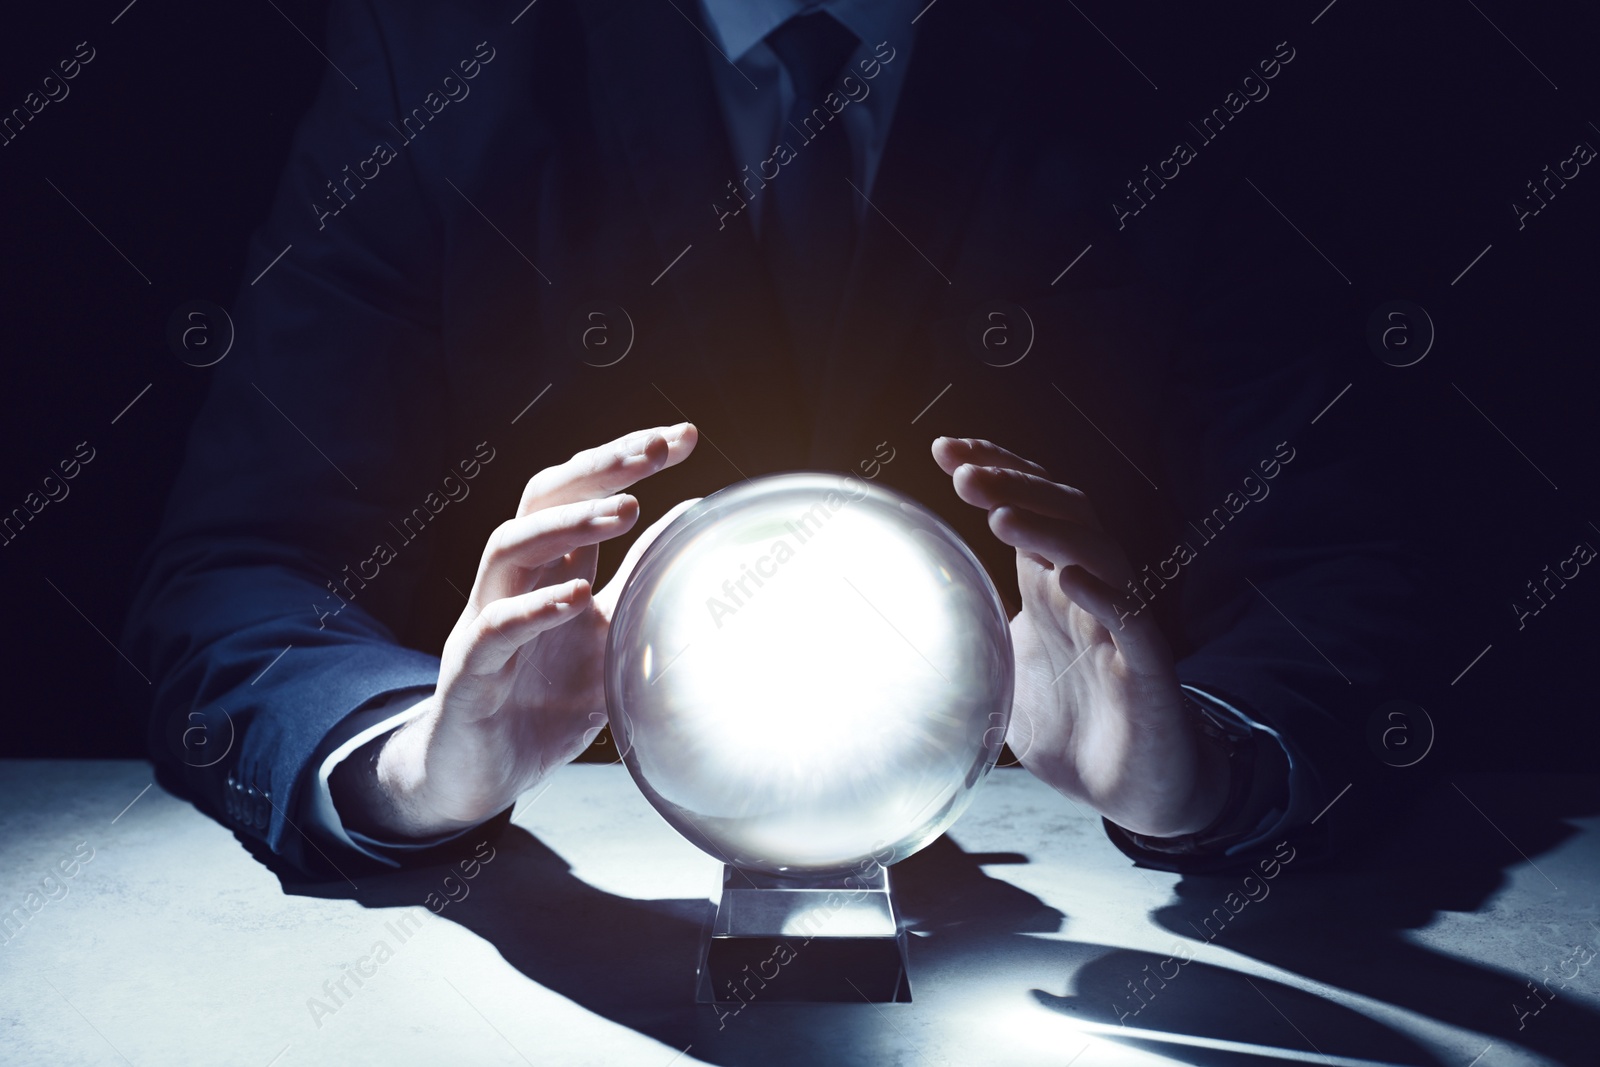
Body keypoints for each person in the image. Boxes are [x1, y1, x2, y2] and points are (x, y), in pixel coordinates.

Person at [127, 0, 1419, 879]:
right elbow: (240, 571)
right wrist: (412, 762)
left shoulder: (1176, 48)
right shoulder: (448, 53)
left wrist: (1204, 758)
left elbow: (1349, 559)